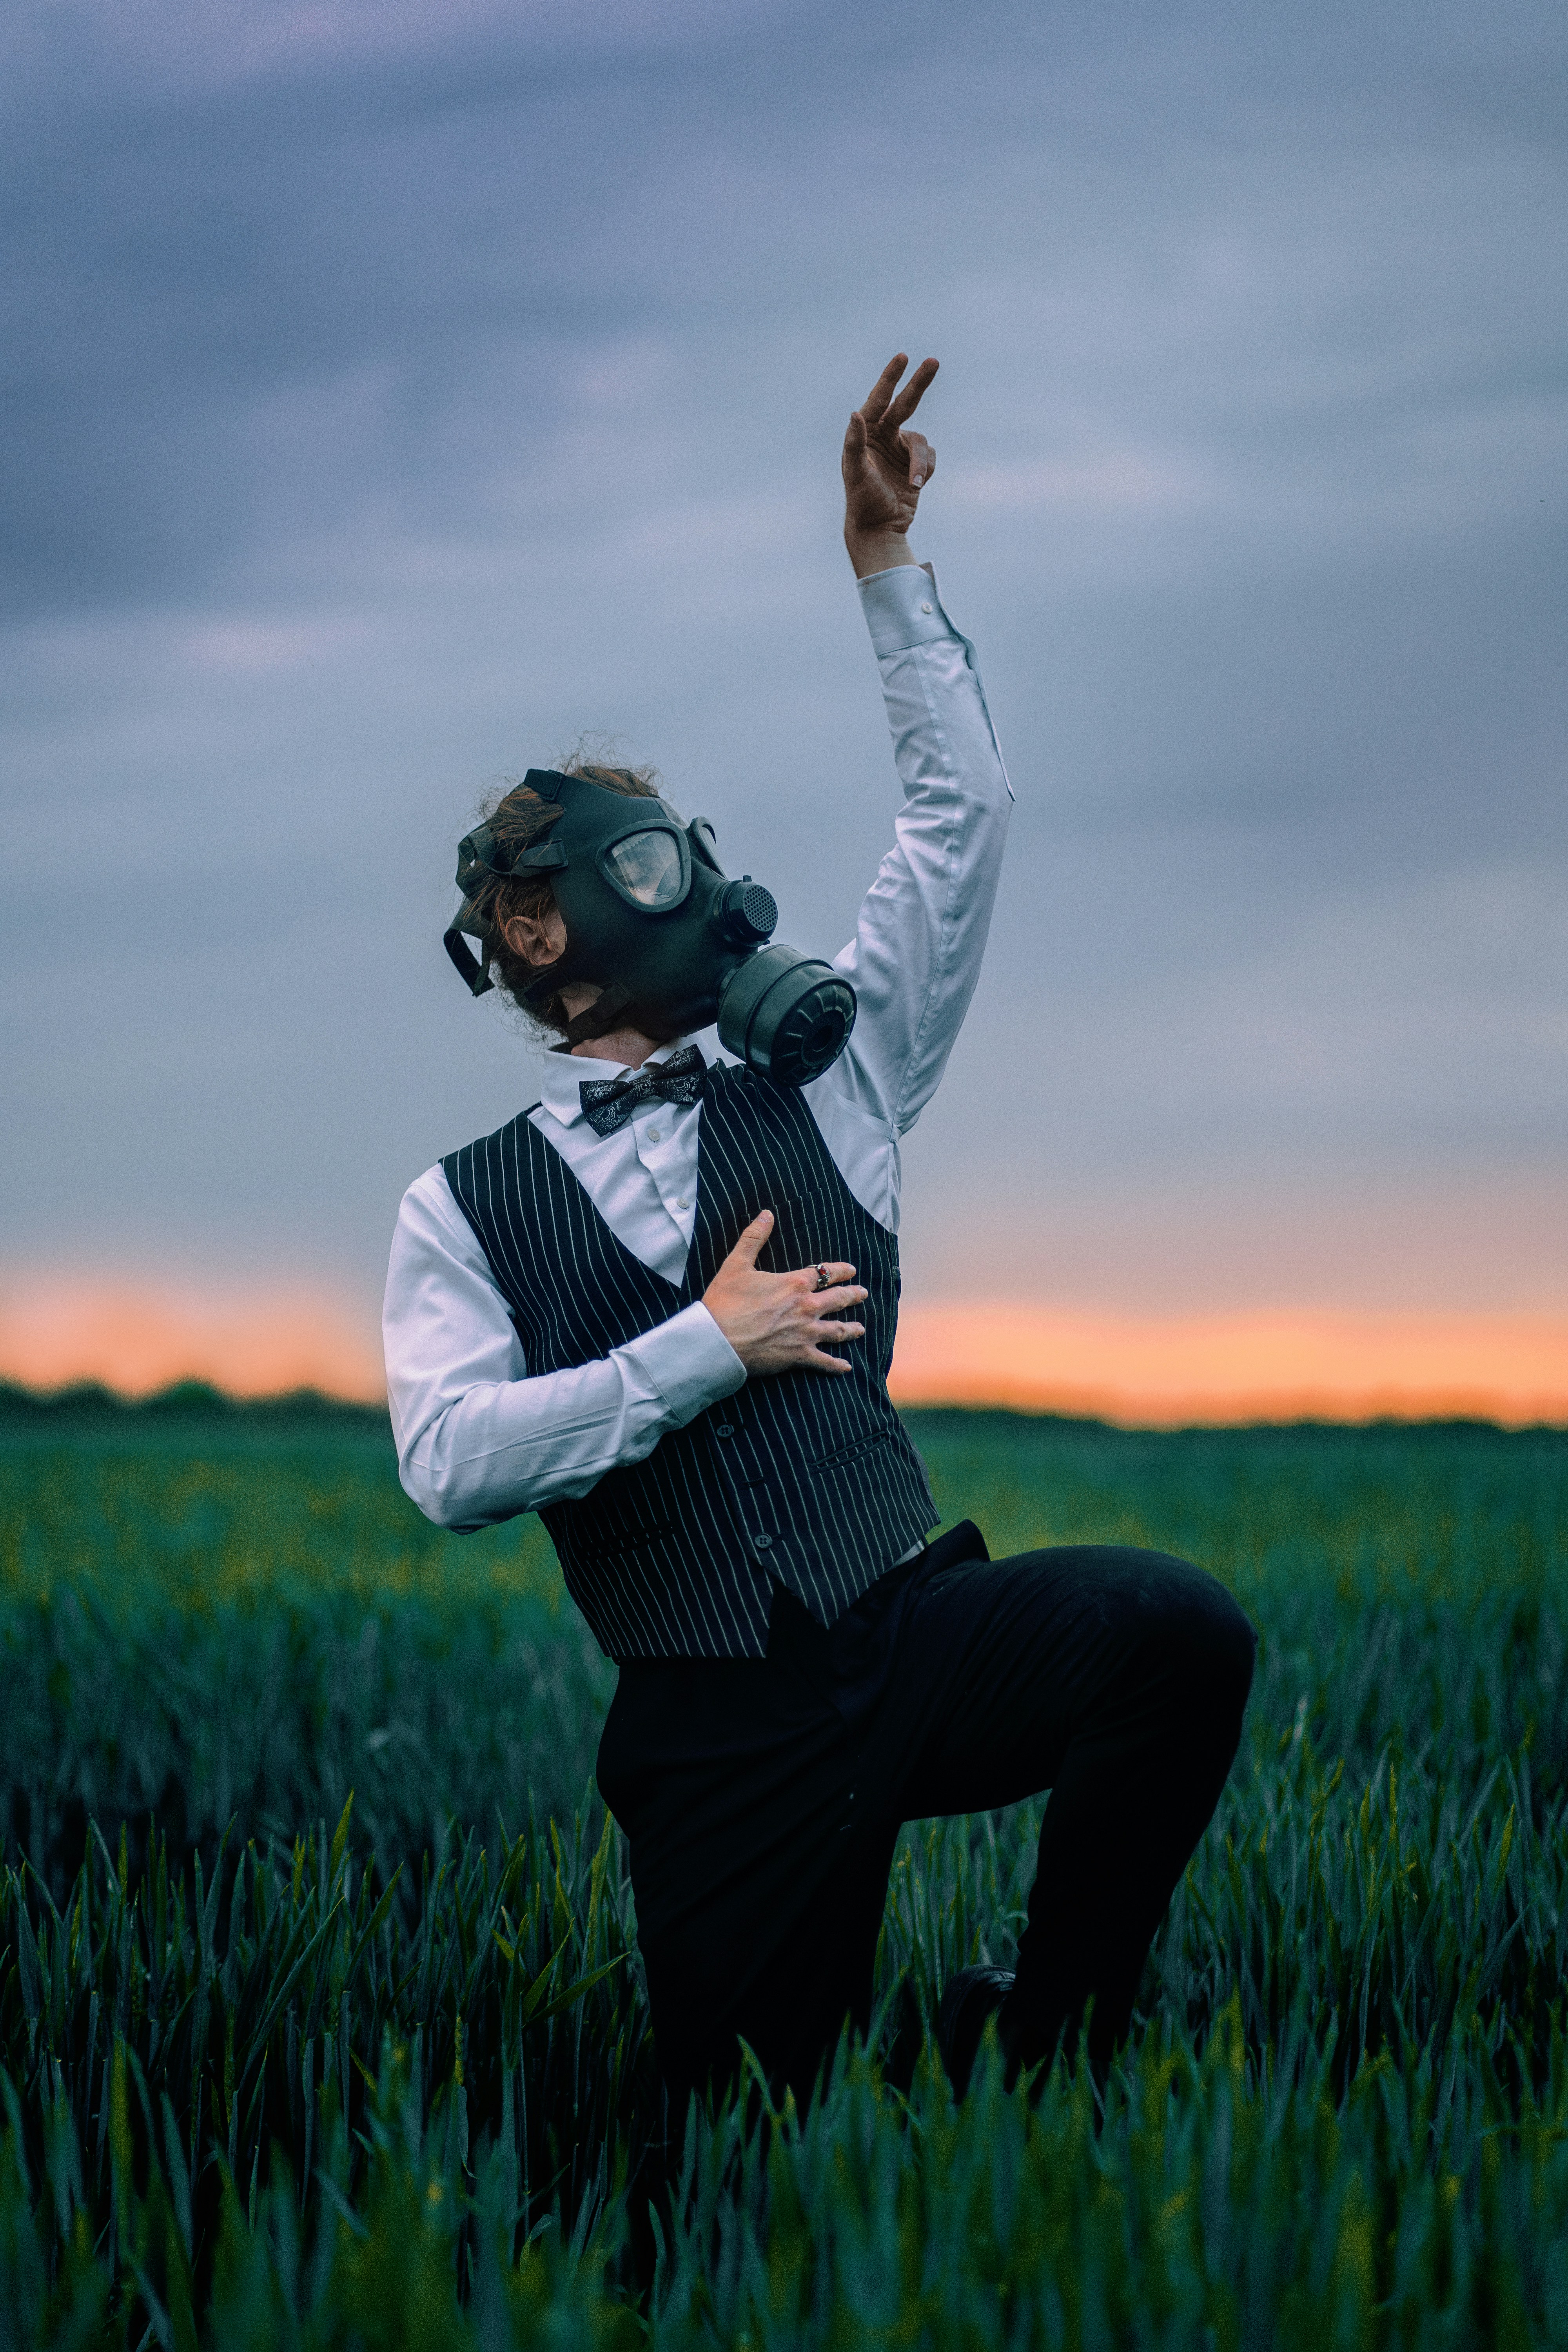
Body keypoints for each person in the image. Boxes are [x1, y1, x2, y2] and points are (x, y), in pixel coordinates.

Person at [383, 354, 1256, 2118]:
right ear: (531, 943)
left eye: (654, 855)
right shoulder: (457, 1206)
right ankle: (889, 2078)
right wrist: (701, 1349)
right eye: (595, 881)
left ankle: (1053, 2034)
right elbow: (447, 1463)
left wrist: (884, 569)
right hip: (711, 1728)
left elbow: (964, 825)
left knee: (1175, 1636)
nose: (670, 890)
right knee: (750, 2140)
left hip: (902, 1638)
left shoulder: (840, 1071)